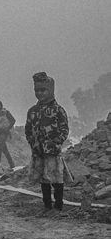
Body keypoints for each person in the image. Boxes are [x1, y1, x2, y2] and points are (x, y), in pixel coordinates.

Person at [25, 72, 69, 211]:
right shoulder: (32, 111)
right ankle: (47, 206)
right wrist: (33, 143)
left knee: (56, 178)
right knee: (44, 179)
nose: (39, 93)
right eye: (37, 90)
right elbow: (28, 130)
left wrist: (56, 143)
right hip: (38, 151)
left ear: (51, 90)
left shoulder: (58, 110)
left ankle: (59, 205)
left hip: (53, 152)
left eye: (43, 90)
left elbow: (64, 130)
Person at [0, 100, 16, 171]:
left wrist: (8, 128)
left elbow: (13, 120)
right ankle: (12, 164)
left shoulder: (6, 113)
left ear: (1, 106)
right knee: (4, 150)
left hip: (5, 132)